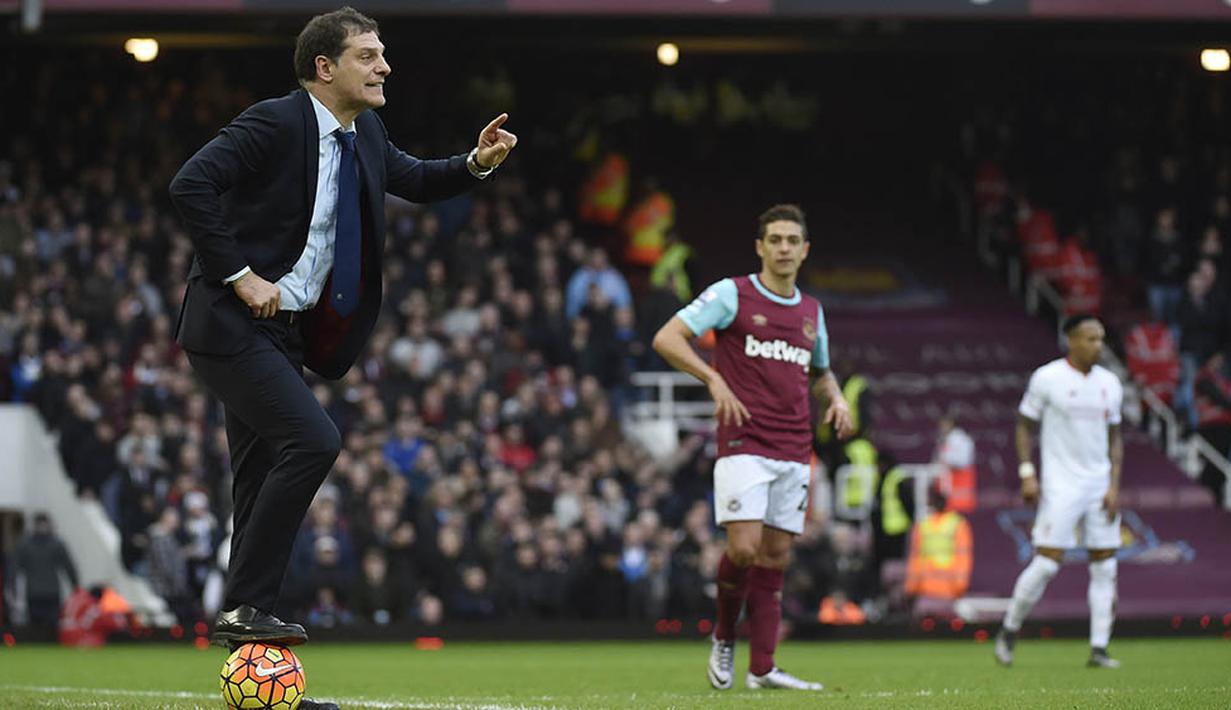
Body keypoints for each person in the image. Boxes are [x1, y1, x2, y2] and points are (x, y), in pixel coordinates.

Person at [167, 8, 515, 707]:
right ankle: (244, 606)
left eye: (382, 54)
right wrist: (239, 275)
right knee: (314, 440)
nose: (384, 66)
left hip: (284, 334)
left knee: (256, 480)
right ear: (324, 68)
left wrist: (475, 162)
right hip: (232, 323)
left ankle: (259, 671)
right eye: (368, 55)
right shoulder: (275, 121)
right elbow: (190, 184)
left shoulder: (366, 134)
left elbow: (415, 179)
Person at [652, 204, 853, 692]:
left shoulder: (811, 312)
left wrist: (837, 397)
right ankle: (724, 635)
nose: (784, 248)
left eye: (792, 241)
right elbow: (667, 338)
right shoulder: (732, 293)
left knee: (776, 557)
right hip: (744, 441)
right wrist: (712, 377)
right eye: (775, 240)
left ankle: (763, 667)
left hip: (795, 446)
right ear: (760, 247)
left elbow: (820, 370)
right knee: (743, 550)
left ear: (805, 251)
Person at [994, 314, 1124, 669]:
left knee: (1105, 566)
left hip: (1099, 484)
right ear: (1071, 340)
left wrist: (1114, 485)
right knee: (1047, 563)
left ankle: (1099, 648)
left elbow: (1115, 438)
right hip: (1060, 485)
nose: (1098, 346)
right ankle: (1009, 629)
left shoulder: (1110, 383)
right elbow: (1024, 426)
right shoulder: (1048, 378)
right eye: (1090, 339)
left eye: (1101, 338)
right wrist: (1027, 473)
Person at [9, 513, 79, 632]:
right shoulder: (26, 545)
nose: (42, 528)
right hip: (36, 593)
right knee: (38, 627)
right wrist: (12, 588)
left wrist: (75, 587)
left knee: (50, 626)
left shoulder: (55, 544)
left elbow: (69, 567)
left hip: (49, 593)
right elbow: (14, 569)